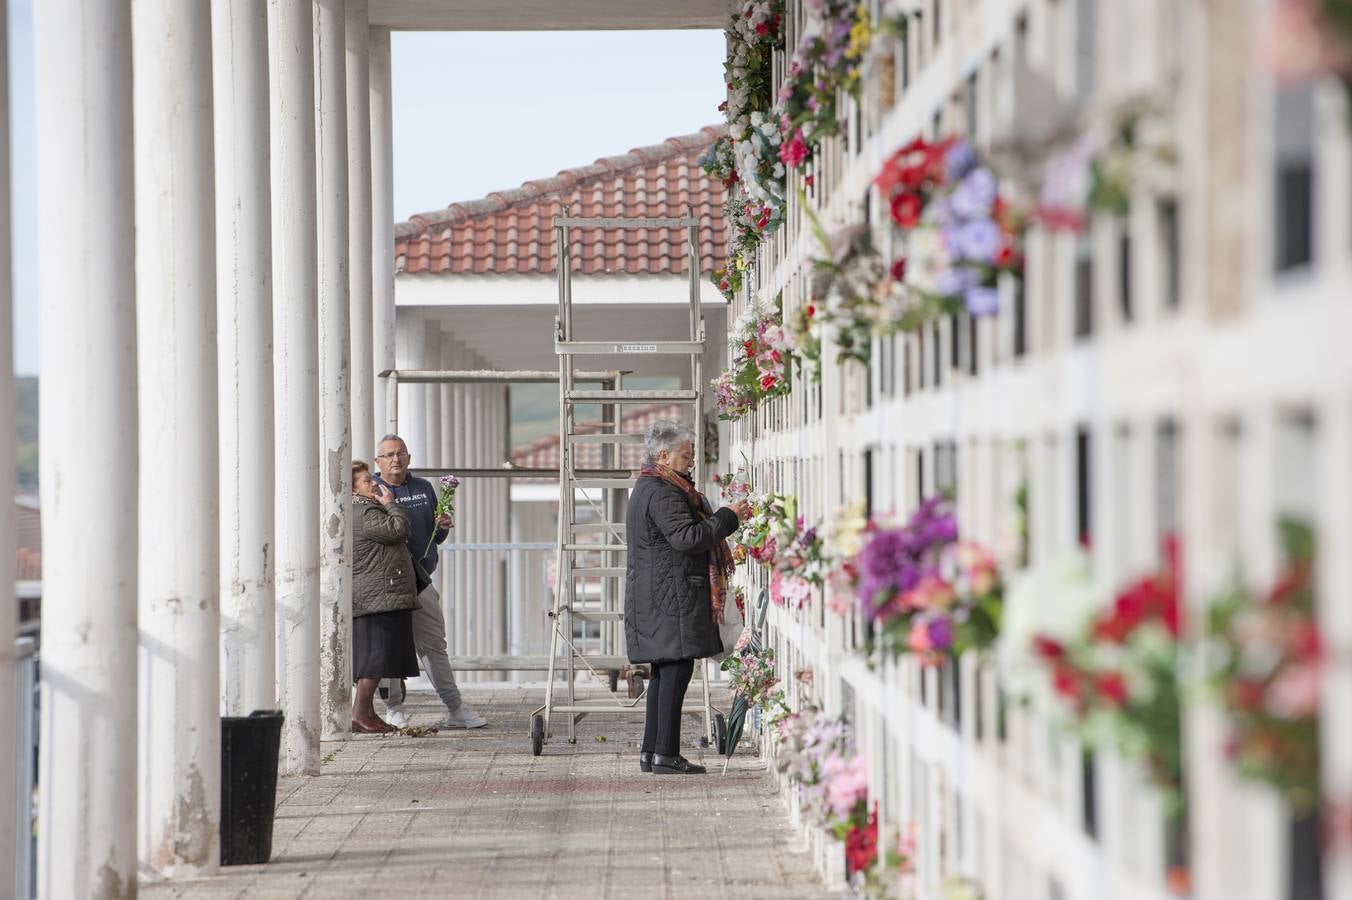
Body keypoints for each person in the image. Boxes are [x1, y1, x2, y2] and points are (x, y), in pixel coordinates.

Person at [624, 421, 751, 775]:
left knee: (666, 671)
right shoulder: (663, 492)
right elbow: (688, 537)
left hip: (659, 595)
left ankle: (653, 752)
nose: (692, 460)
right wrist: (729, 517)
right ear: (663, 456)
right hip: (670, 597)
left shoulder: (650, 486)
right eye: (686, 454)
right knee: (675, 669)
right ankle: (665, 754)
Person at [372, 433, 487, 729]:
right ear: (378, 461)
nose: (396, 459)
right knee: (389, 646)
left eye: (401, 453)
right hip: (386, 584)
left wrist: (443, 526)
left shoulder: (423, 488)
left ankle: (455, 708)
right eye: (388, 455)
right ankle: (393, 708)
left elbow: (435, 536)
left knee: (434, 646)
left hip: (422, 581)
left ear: (409, 458)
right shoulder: (371, 491)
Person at [350, 461, 421, 734]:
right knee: (374, 657)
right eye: (368, 480)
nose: (375, 484)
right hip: (377, 594)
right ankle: (360, 713)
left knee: (377, 656)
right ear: (354, 487)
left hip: (377, 593)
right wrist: (391, 503)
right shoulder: (366, 511)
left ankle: (367, 712)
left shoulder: (362, 510)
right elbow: (399, 530)